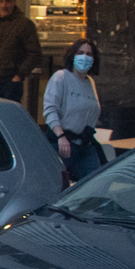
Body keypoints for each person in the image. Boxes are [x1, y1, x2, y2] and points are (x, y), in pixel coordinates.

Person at [43, 38, 106, 184]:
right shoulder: (61, 77)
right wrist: (60, 136)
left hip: (84, 144)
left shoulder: (90, 82)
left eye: (89, 54)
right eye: (80, 53)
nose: (84, 57)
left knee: (96, 184)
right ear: (72, 56)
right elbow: (50, 109)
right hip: (62, 143)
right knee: (57, 185)